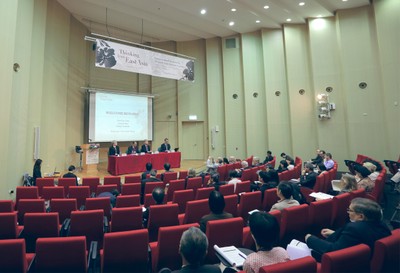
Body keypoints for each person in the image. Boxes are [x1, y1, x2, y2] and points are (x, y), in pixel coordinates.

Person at [305, 198, 391, 262]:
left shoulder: (354, 228)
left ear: (361, 216)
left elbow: (334, 250)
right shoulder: (383, 226)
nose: (348, 212)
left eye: (350, 210)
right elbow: (357, 239)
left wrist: (310, 239)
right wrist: (335, 233)